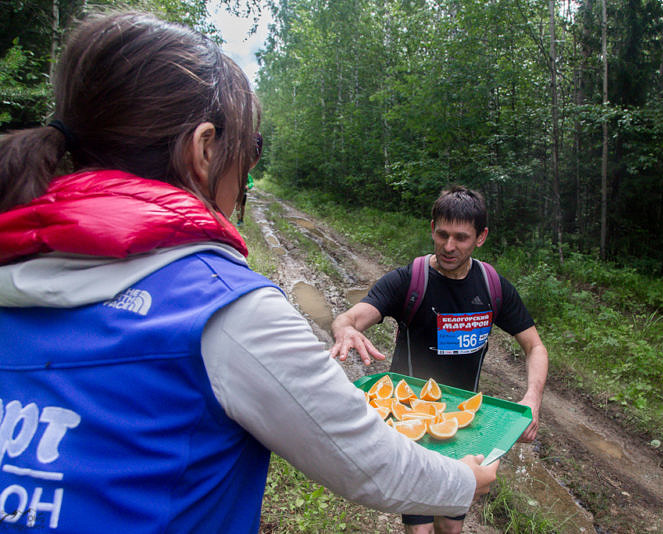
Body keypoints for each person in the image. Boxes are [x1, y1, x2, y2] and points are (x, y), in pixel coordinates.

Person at [0, 12, 498, 533]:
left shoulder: (16, 258)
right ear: (206, 148)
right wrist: (464, 481)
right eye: (251, 151)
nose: (248, 175)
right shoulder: (225, 306)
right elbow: (366, 460)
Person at [330, 185, 549, 534]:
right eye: (442, 234)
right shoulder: (408, 281)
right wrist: (344, 328)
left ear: (481, 237)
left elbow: (535, 347)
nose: (449, 246)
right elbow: (351, 318)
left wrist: (532, 399)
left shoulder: (493, 286)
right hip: (410, 428)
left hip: (462, 429)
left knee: (451, 525)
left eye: (461, 237)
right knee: (420, 530)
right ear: (432, 228)